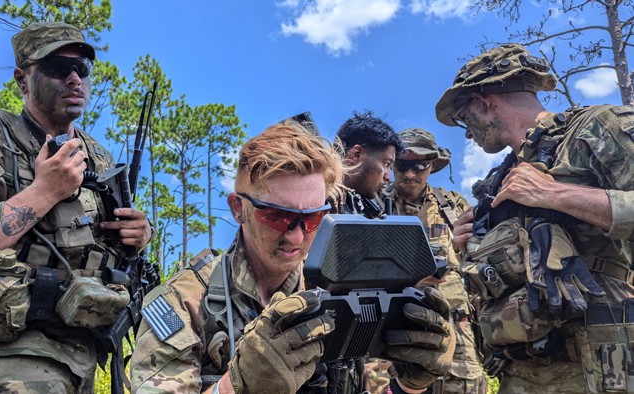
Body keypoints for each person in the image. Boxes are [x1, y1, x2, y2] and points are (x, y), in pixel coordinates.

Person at [129, 121, 455, 394]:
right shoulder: (182, 304)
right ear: (238, 208)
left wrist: (411, 385)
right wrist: (236, 386)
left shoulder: (342, 291)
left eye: (313, 219)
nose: (296, 236)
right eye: (277, 216)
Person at [0, 22, 151, 393]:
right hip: (9, 356)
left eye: (82, 69)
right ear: (22, 79)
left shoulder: (97, 156)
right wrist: (43, 192)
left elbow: (104, 248)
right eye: (58, 69)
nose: (75, 79)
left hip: (84, 355)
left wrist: (137, 235)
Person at [435, 43, 634, 393]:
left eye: (464, 116)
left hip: (605, 364)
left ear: (484, 102)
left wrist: (555, 194)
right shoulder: (500, 179)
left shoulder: (599, 127)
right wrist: (469, 246)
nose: (466, 132)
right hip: (523, 369)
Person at [379, 127, 486, 394]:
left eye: (419, 165)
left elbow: (479, 261)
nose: (410, 174)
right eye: (402, 165)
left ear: (432, 165)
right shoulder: (374, 205)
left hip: (455, 327)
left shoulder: (453, 205)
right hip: (391, 329)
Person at [330, 111, 404, 217]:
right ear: (357, 154)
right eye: (386, 164)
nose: (388, 177)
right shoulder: (318, 200)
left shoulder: (360, 205)